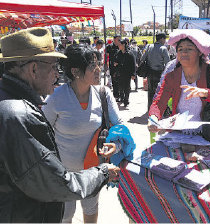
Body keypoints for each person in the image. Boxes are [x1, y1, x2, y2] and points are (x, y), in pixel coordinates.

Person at [0, 27, 119, 223]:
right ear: (34, 69)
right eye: (54, 66)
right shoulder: (18, 115)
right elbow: (56, 185)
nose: (58, 73)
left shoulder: (10, 101)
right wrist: (103, 172)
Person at [42, 44, 123, 223]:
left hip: (93, 169)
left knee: (91, 208)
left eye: (98, 64)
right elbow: (42, 132)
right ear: (76, 71)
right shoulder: (56, 97)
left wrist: (115, 145)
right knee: (65, 215)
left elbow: (119, 126)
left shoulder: (103, 93)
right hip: (64, 174)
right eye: (92, 66)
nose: (98, 70)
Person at [148, 29, 210, 139]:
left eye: (189, 49)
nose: (184, 52)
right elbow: (159, 101)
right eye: (180, 49)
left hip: (206, 134)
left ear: (199, 52)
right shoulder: (172, 76)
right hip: (179, 132)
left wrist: (205, 92)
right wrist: (154, 118)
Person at [141, 32, 170, 109]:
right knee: (160, 92)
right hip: (159, 73)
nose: (165, 41)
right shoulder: (163, 48)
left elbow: (142, 58)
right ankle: (158, 109)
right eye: (165, 39)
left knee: (150, 91)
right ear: (162, 39)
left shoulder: (149, 47)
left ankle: (150, 108)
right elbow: (168, 63)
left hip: (150, 73)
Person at [114, 39, 136, 107]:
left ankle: (126, 100)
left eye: (120, 45)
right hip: (120, 73)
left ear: (123, 45)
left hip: (127, 73)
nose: (118, 46)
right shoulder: (118, 53)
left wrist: (133, 74)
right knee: (120, 87)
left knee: (127, 87)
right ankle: (122, 98)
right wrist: (115, 64)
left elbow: (133, 64)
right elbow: (115, 61)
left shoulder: (130, 54)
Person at [105, 35, 121, 100]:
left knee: (120, 81)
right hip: (113, 67)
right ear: (114, 39)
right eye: (118, 39)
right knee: (114, 81)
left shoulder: (120, 46)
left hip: (120, 67)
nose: (119, 41)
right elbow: (106, 56)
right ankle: (116, 95)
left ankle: (121, 95)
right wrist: (106, 64)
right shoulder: (109, 47)